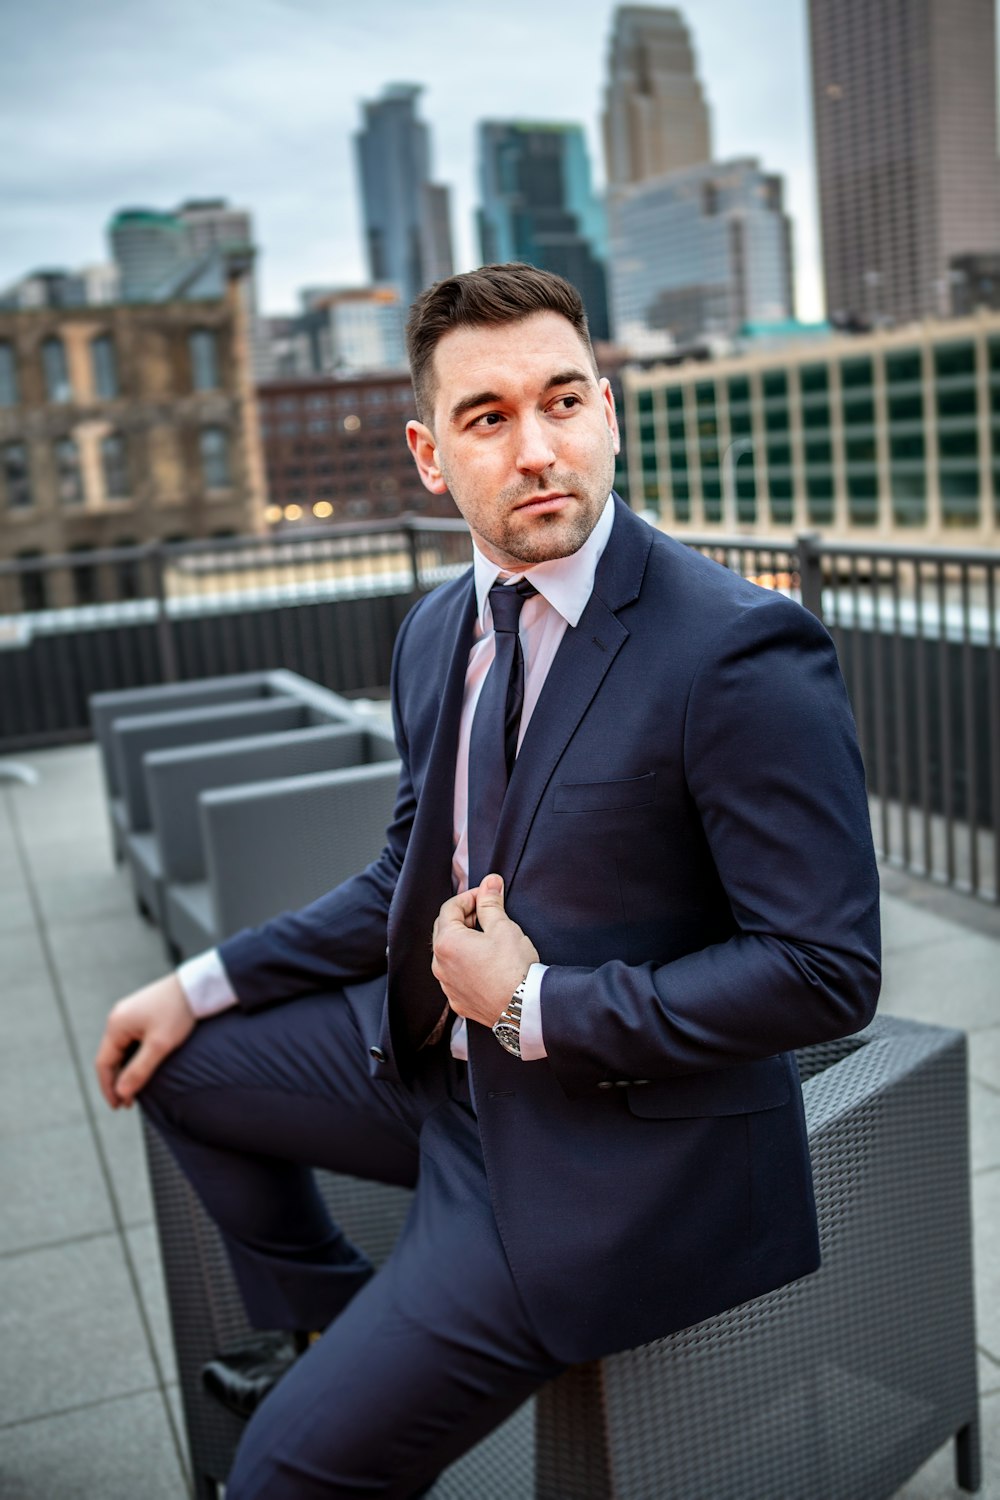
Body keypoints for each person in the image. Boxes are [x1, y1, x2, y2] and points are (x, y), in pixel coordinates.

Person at [95, 263, 881, 1500]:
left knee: (275, 1482)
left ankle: (338, 1380)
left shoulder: (735, 650)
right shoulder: (433, 633)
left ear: (608, 411)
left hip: (592, 1155)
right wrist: (196, 983)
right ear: (427, 453)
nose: (538, 449)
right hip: (428, 1083)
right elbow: (403, 880)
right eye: (488, 417)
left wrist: (533, 1006)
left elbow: (825, 972)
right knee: (179, 1065)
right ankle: (326, 1327)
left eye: (564, 401)